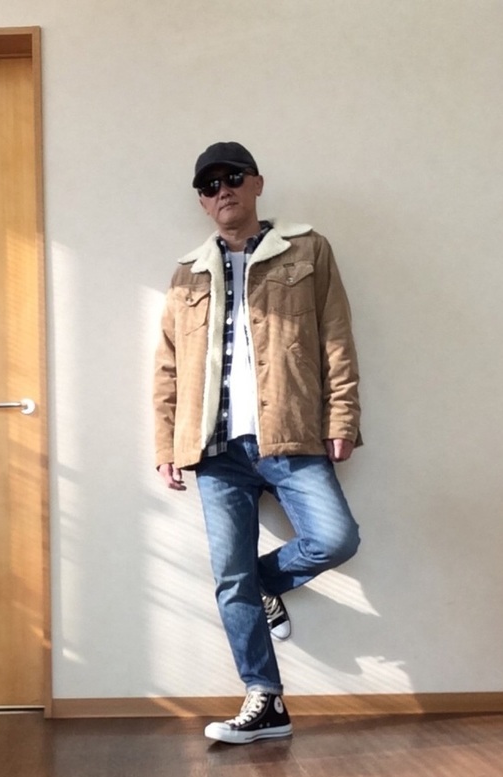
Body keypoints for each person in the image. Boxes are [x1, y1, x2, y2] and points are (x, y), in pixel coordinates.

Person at [153, 141, 361, 745]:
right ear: (202, 201)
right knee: (228, 575)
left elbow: (336, 339)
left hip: (290, 435)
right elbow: (167, 367)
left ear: (257, 184)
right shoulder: (187, 273)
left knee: (336, 538)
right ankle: (265, 699)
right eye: (210, 185)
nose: (223, 190)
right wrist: (165, 444)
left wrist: (342, 417)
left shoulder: (307, 250)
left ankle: (263, 583)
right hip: (215, 450)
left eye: (233, 178)